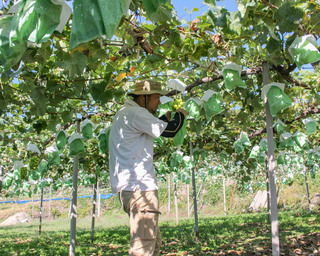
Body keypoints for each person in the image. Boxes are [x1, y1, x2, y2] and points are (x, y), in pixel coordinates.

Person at [109, 79, 189, 256]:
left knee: (153, 244)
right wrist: (181, 114)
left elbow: (154, 127)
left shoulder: (126, 113)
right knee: (143, 249)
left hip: (130, 189)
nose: (159, 102)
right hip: (141, 190)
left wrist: (166, 117)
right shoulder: (137, 113)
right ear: (143, 97)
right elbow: (170, 131)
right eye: (156, 97)